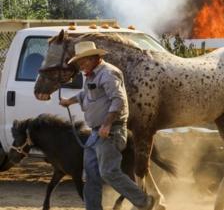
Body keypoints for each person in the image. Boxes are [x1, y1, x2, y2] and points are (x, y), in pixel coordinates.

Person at [59, 41, 154, 210]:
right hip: (97, 133)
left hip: (110, 131)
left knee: (108, 172)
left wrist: (107, 125)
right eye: (79, 62)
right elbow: (86, 94)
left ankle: (144, 201)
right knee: (90, 175)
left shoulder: (109, 73)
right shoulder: (92, 75)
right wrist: (69, 101)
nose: (80, 65)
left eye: (83, 61)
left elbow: (118, 100)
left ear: (95, 58)